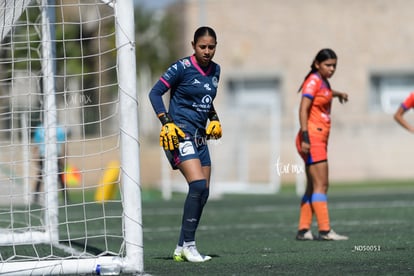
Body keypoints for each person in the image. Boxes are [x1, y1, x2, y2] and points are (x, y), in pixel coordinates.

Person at [148, 26, 222, 262]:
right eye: (203, 47)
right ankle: (190, 246)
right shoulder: (182, 67)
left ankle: (181, 247)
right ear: (193, 45)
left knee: (203, 193)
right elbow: (155, 93)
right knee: (198, 185)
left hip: (201, 139)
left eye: (211, 47)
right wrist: (166, 122)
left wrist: (214, 118)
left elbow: (206, 101)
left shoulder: (216, 70)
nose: (207, 51)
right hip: (179, 135)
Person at [295, 48, 349, 241]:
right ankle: (325, 230)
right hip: (312, 138)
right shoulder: (313, 81)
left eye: (334, 65)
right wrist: (305, 137)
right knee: (321, 184)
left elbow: (325, 92)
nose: (332, 68)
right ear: (317, 64)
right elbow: (303, 109)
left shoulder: (323, 81)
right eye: (328, 65)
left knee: (312, 185)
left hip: (317, 138)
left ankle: (303, 230)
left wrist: (338, 93)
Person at [33, 123, 69, 204]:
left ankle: (66, 198)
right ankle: (35, 198)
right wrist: (34, 156)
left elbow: (64, 144)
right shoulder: (40, 129)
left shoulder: (59, 129)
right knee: (40, 176)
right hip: (43, 156)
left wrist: (65, 156)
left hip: (57, 156)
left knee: (60, 177)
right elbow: (35, 144)